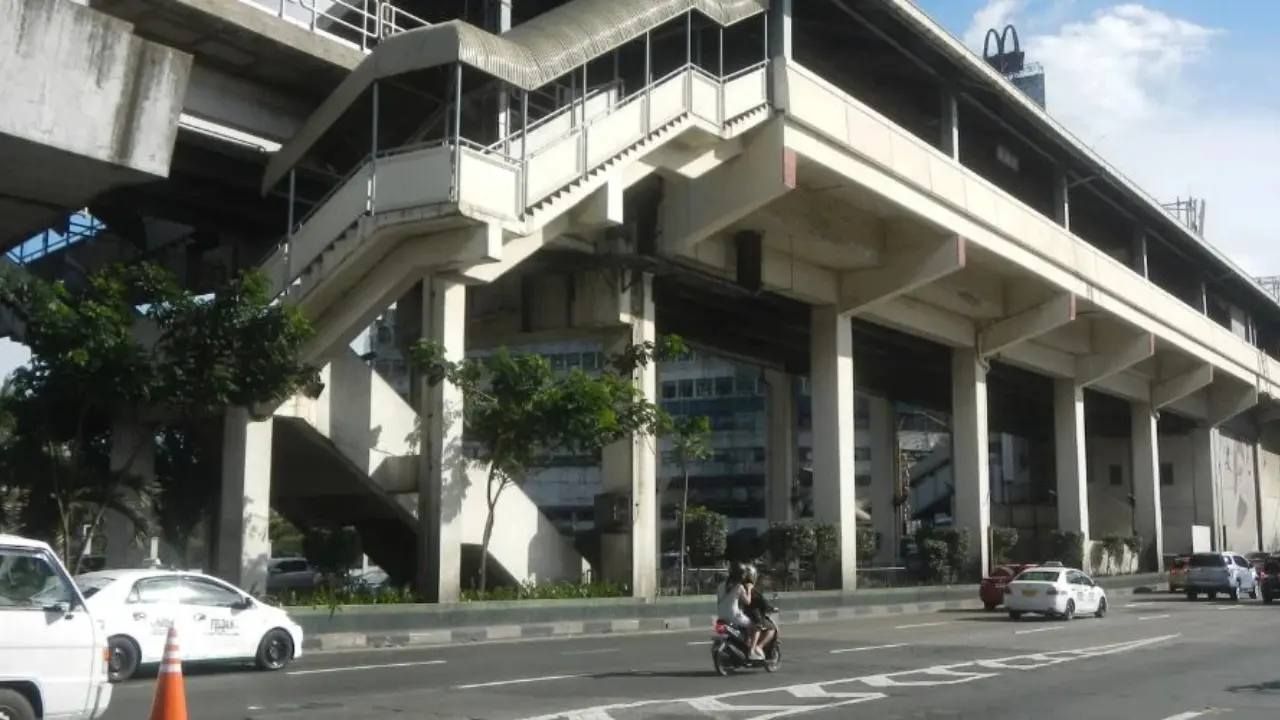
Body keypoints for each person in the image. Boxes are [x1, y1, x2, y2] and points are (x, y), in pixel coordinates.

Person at [716, 563, 763, 660]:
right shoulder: (739, 587)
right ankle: (751, 651)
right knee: (756, 627)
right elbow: (747, 602)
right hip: (735, 617)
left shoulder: (720, 585)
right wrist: (749, 589)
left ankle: (744, 644)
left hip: (721, 617)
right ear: (741, 575)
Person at [742, 564, 776, 656]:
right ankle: (758, 647)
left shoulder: (741, 587)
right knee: (771, 628)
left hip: (744, 614)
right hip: (755, 615)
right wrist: (771, 608)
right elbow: (762, 601)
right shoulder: (752, 588)